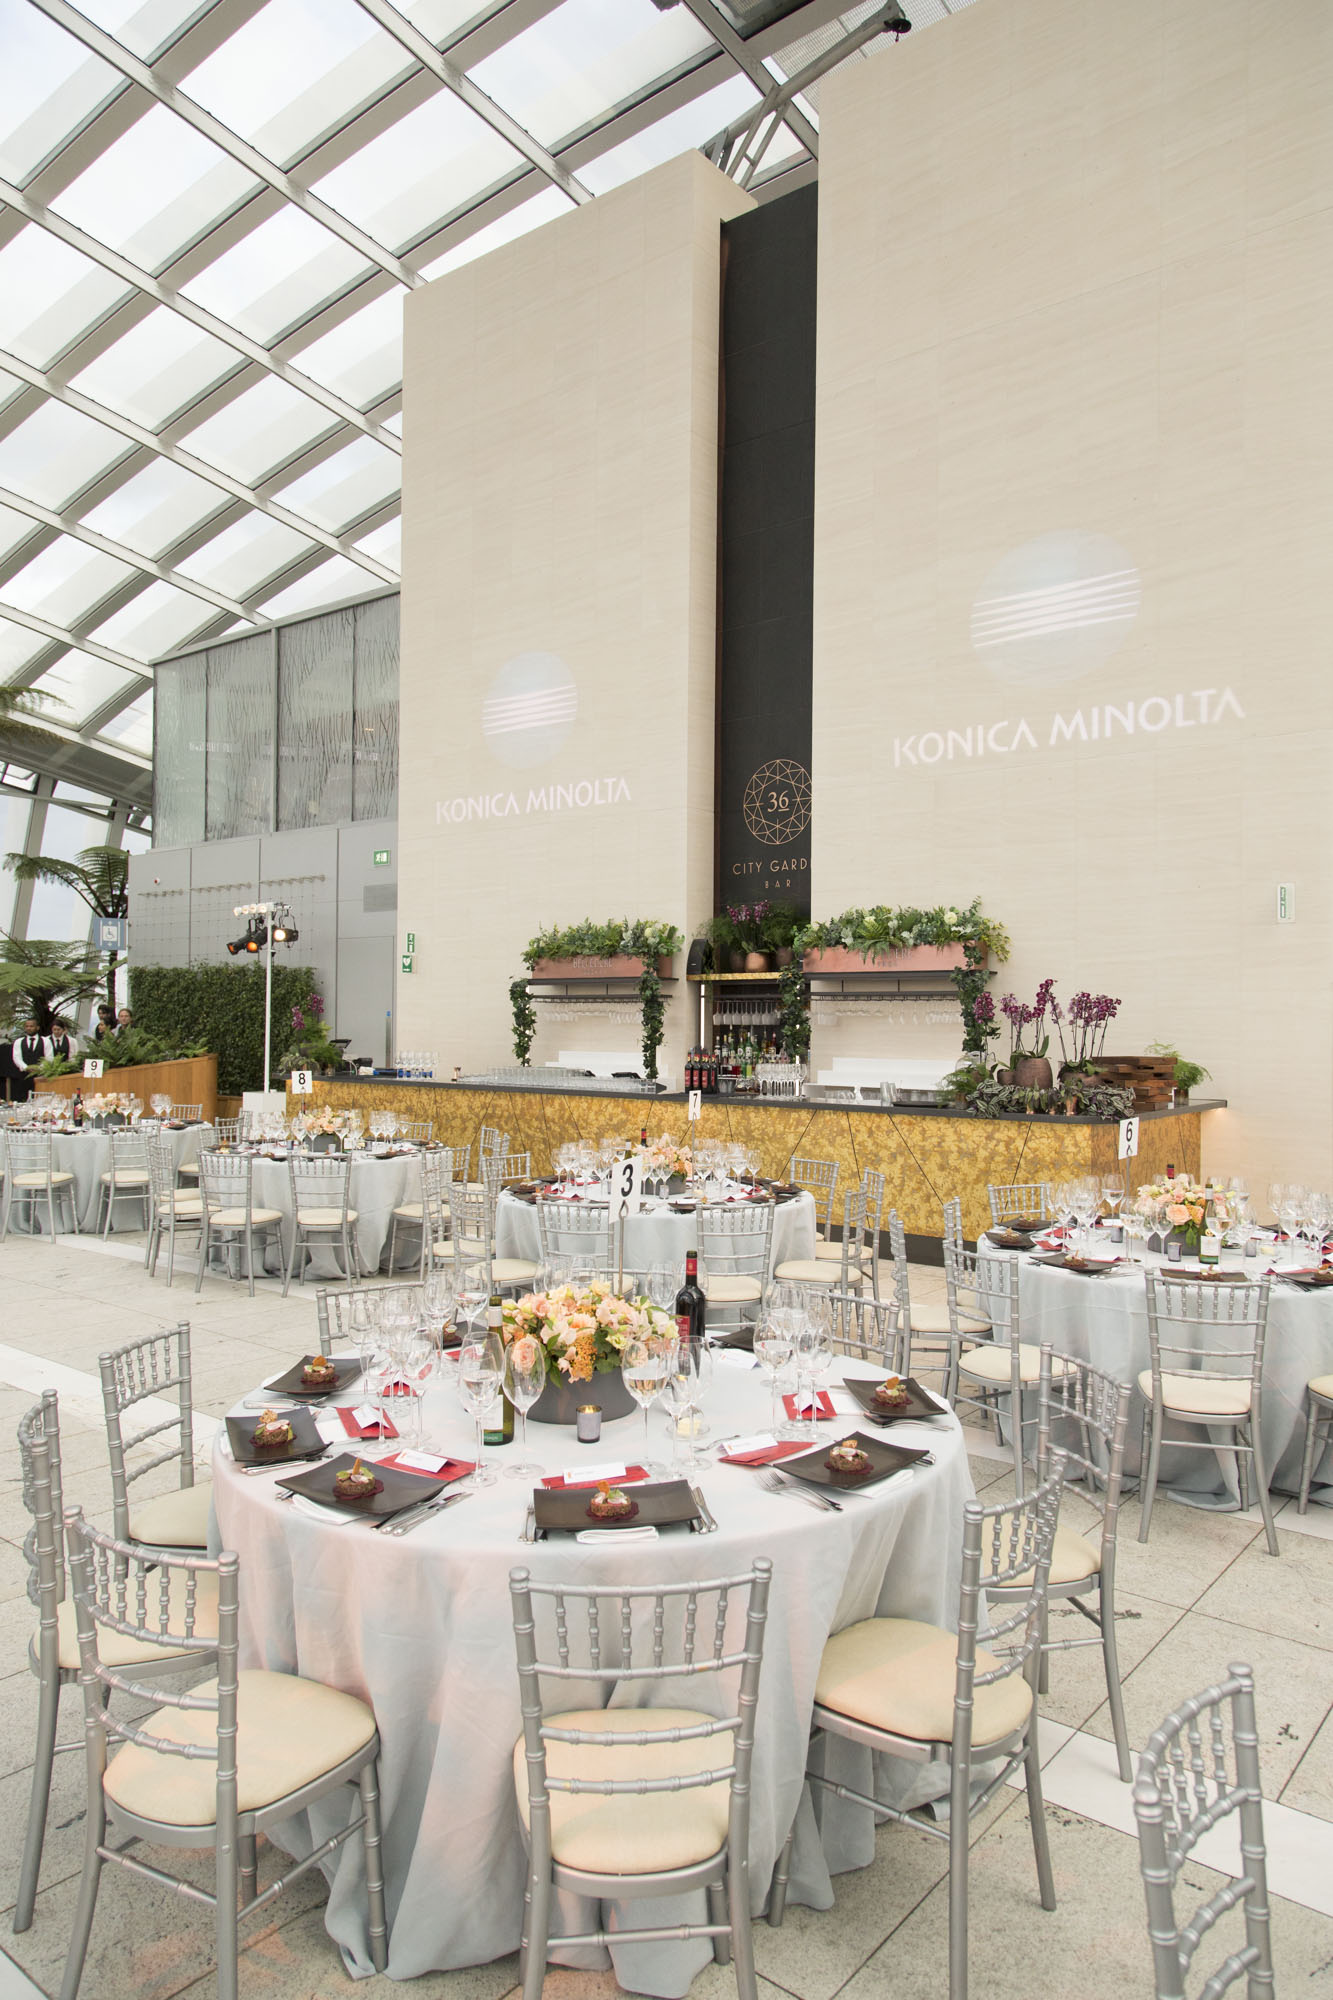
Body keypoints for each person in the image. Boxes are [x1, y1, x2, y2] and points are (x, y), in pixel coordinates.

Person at [9, 1017, 45, 1104]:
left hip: (40, 1077)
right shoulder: (19, 1041)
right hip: (23, 1076)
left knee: (39, 1101)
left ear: (37, 1027)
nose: (29, 1028)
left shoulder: (45, 1041)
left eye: (31, 1026)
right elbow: (16, 1057)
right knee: (22, 1100)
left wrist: (39, 1068)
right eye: (27, 1026)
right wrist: (26, 1067)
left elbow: (49, 1058)